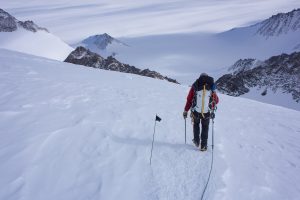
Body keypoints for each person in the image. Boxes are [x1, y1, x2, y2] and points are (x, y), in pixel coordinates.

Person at [183, 73, 219, 151]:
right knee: (205, 128)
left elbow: (189, 100)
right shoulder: (211, 87)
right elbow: (216, 101)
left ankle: (196, 141)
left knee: (196, 125)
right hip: (207, 112)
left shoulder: (195, 86)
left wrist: (186, 110)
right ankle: (203, 146)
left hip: (196, 111)